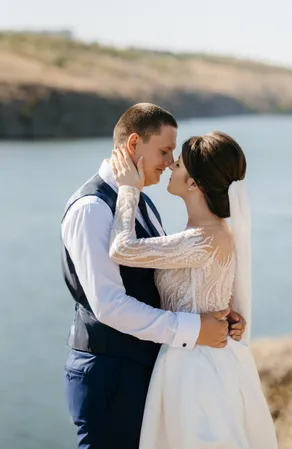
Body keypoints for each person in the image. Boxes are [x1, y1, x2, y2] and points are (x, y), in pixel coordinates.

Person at [62, 103, 246, 449]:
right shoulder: (92, 209)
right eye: (164, 151)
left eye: (174, 155)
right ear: (134, 144)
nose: (168, 162)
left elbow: (171, 279)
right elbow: (110, 305)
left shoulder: (143, 205)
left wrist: (218, 311)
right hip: (109, 372)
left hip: (153, 369)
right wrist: (196, 328)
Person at [109, 132, 278, 449]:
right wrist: (233, 318)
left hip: (195, 372)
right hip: (200, 358)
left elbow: (122, 249)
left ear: (193, 184)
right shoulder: (211, 234)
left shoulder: (204, 238)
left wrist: (127, 189)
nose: (171, 165)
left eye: (179, 163)